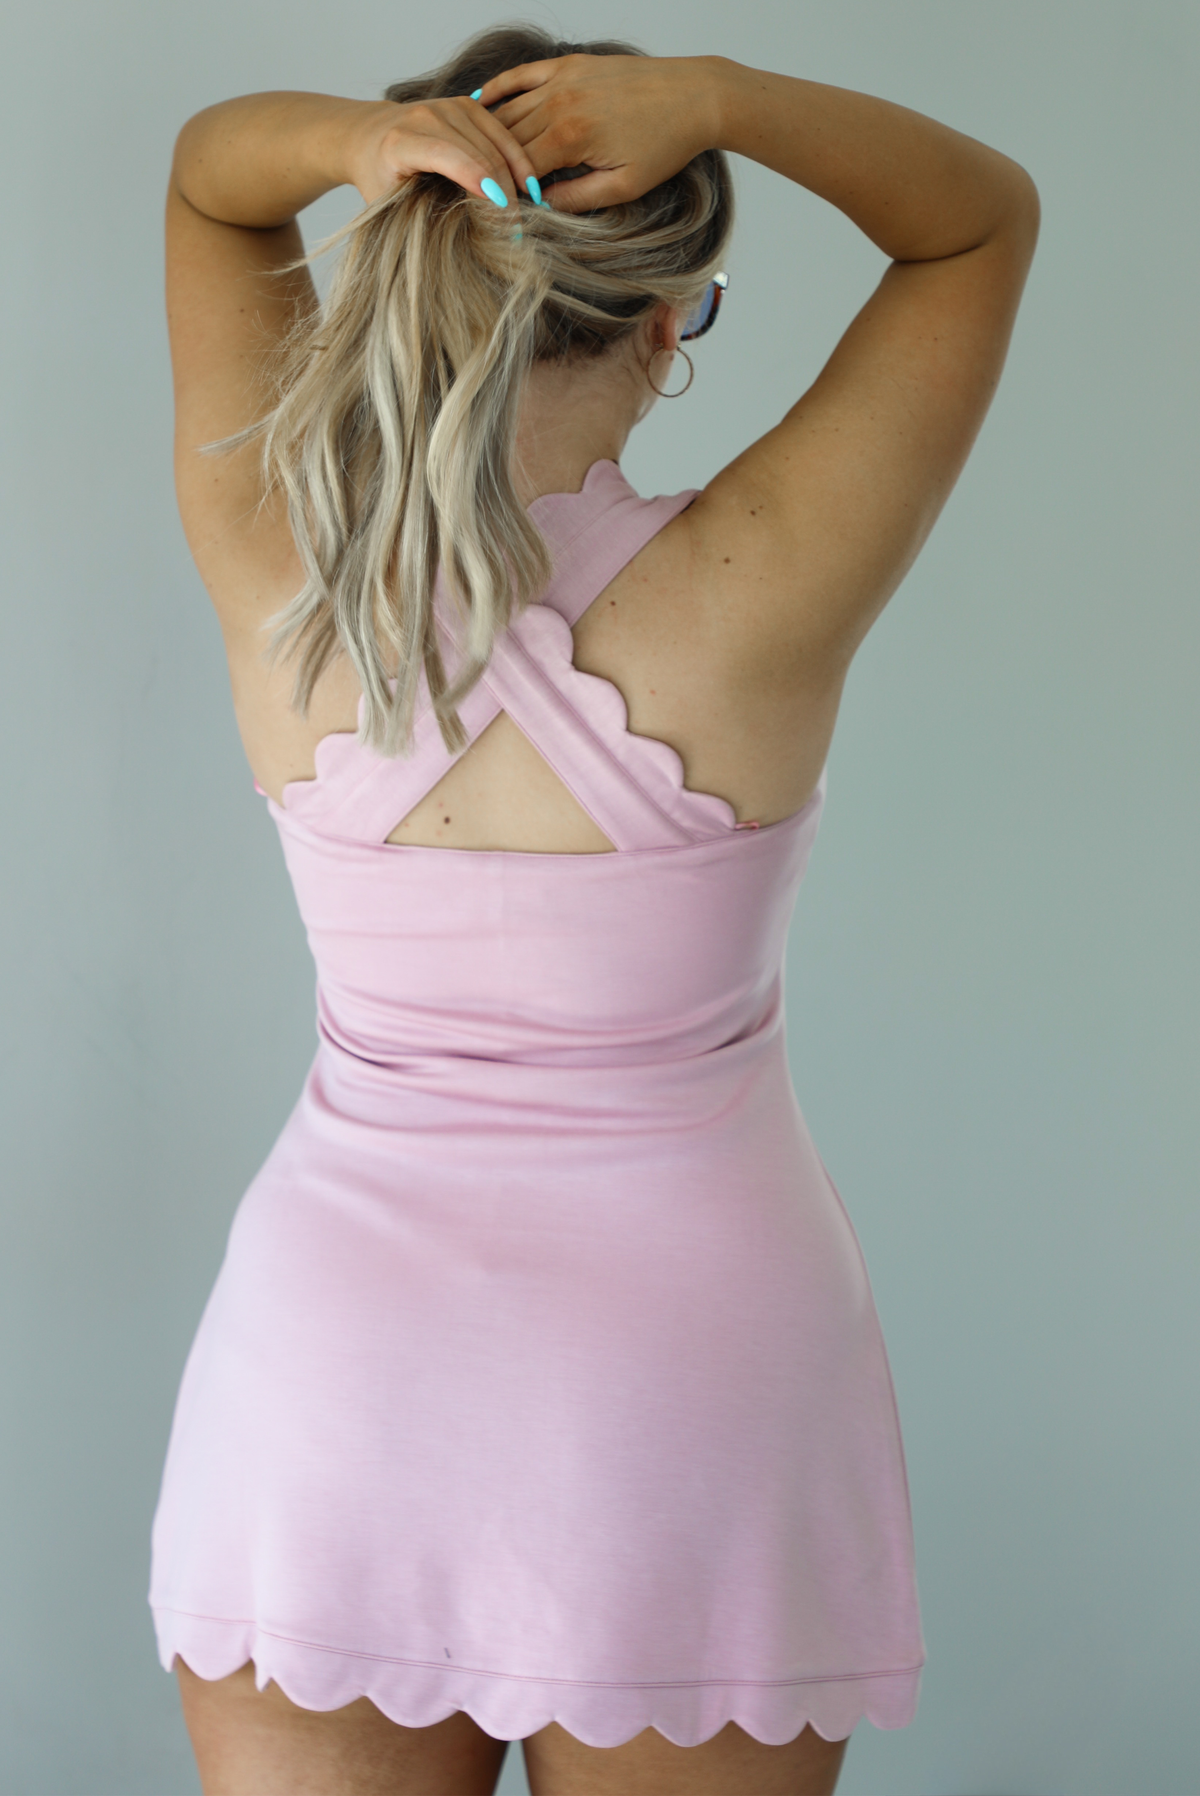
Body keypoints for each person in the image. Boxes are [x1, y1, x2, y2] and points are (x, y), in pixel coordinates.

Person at [151, 24, 1038, 1796]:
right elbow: (978, 221)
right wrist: (724, 100)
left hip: (335, 1374)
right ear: (662, 321)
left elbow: (209, 183)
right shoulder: (762, 581)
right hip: (688, 1379)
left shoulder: (278, 561)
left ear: (411, 255)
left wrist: (362, 144)